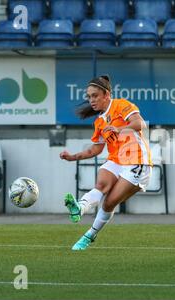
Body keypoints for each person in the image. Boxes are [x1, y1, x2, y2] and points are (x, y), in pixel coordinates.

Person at [59, 75, 152, 251]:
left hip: (137, 161)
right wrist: (72, 157)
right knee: (101, 183)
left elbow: (140, 123)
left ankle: (89, 235)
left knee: (108, 203)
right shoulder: (100, 121)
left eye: (95, 95)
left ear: (106, 95)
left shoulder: (121, 105)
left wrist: (118, 128)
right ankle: (80, 207)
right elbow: (94, 150)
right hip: (116, 159)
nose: (91, 100)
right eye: (89, 96)